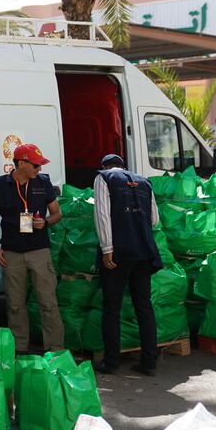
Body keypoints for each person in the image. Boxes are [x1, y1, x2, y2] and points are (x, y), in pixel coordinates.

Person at [0, 143, 64, 354]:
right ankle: (19, 351)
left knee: (48, 303)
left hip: (39, 251)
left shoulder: (43, 183)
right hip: (11, 253)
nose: (39, 170)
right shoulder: (0, 185)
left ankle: (55, 351)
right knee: (16, 306)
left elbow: (57, 214)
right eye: (36, 165)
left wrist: (45, 222)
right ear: (21, 164)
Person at [92, 154, 162, 377]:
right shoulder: (144, 181)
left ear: (105, 166)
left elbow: (102, 215)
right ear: (124, 167)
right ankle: (149, 362)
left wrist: (106, 249)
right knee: (144, 306)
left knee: (112, 308)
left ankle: (111, 363)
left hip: (119, 252)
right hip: (144, 251)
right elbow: (154, 220)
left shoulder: (104, 178)